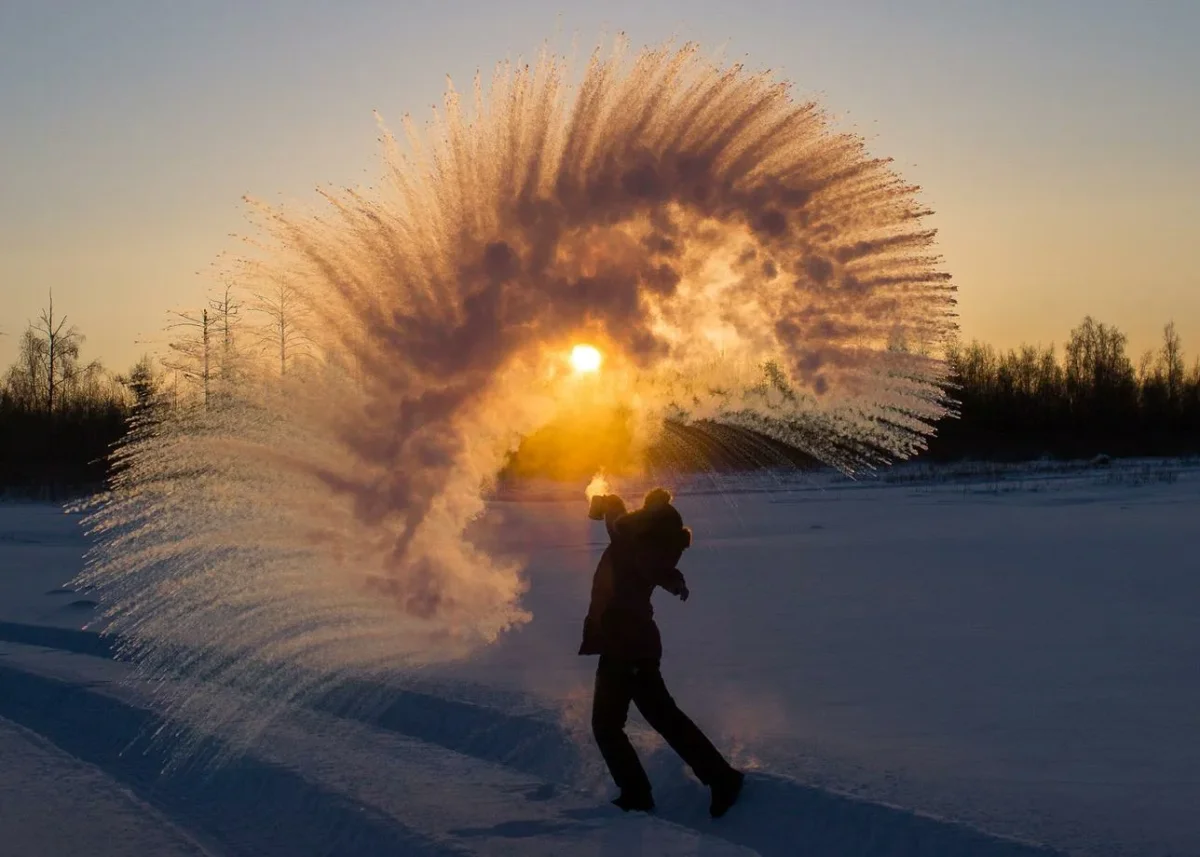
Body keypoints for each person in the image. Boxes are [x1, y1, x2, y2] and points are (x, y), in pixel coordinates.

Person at [580, 487, 744, 817]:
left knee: (614, 725)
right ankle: (657, 789)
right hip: (627, 645)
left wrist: (608, 503)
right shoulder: (638, 544)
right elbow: (646, 555)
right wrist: (674, 581)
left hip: (628, 648)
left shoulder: (633, 544)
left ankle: (712, 780)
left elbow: (628, 535)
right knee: (653, 718)